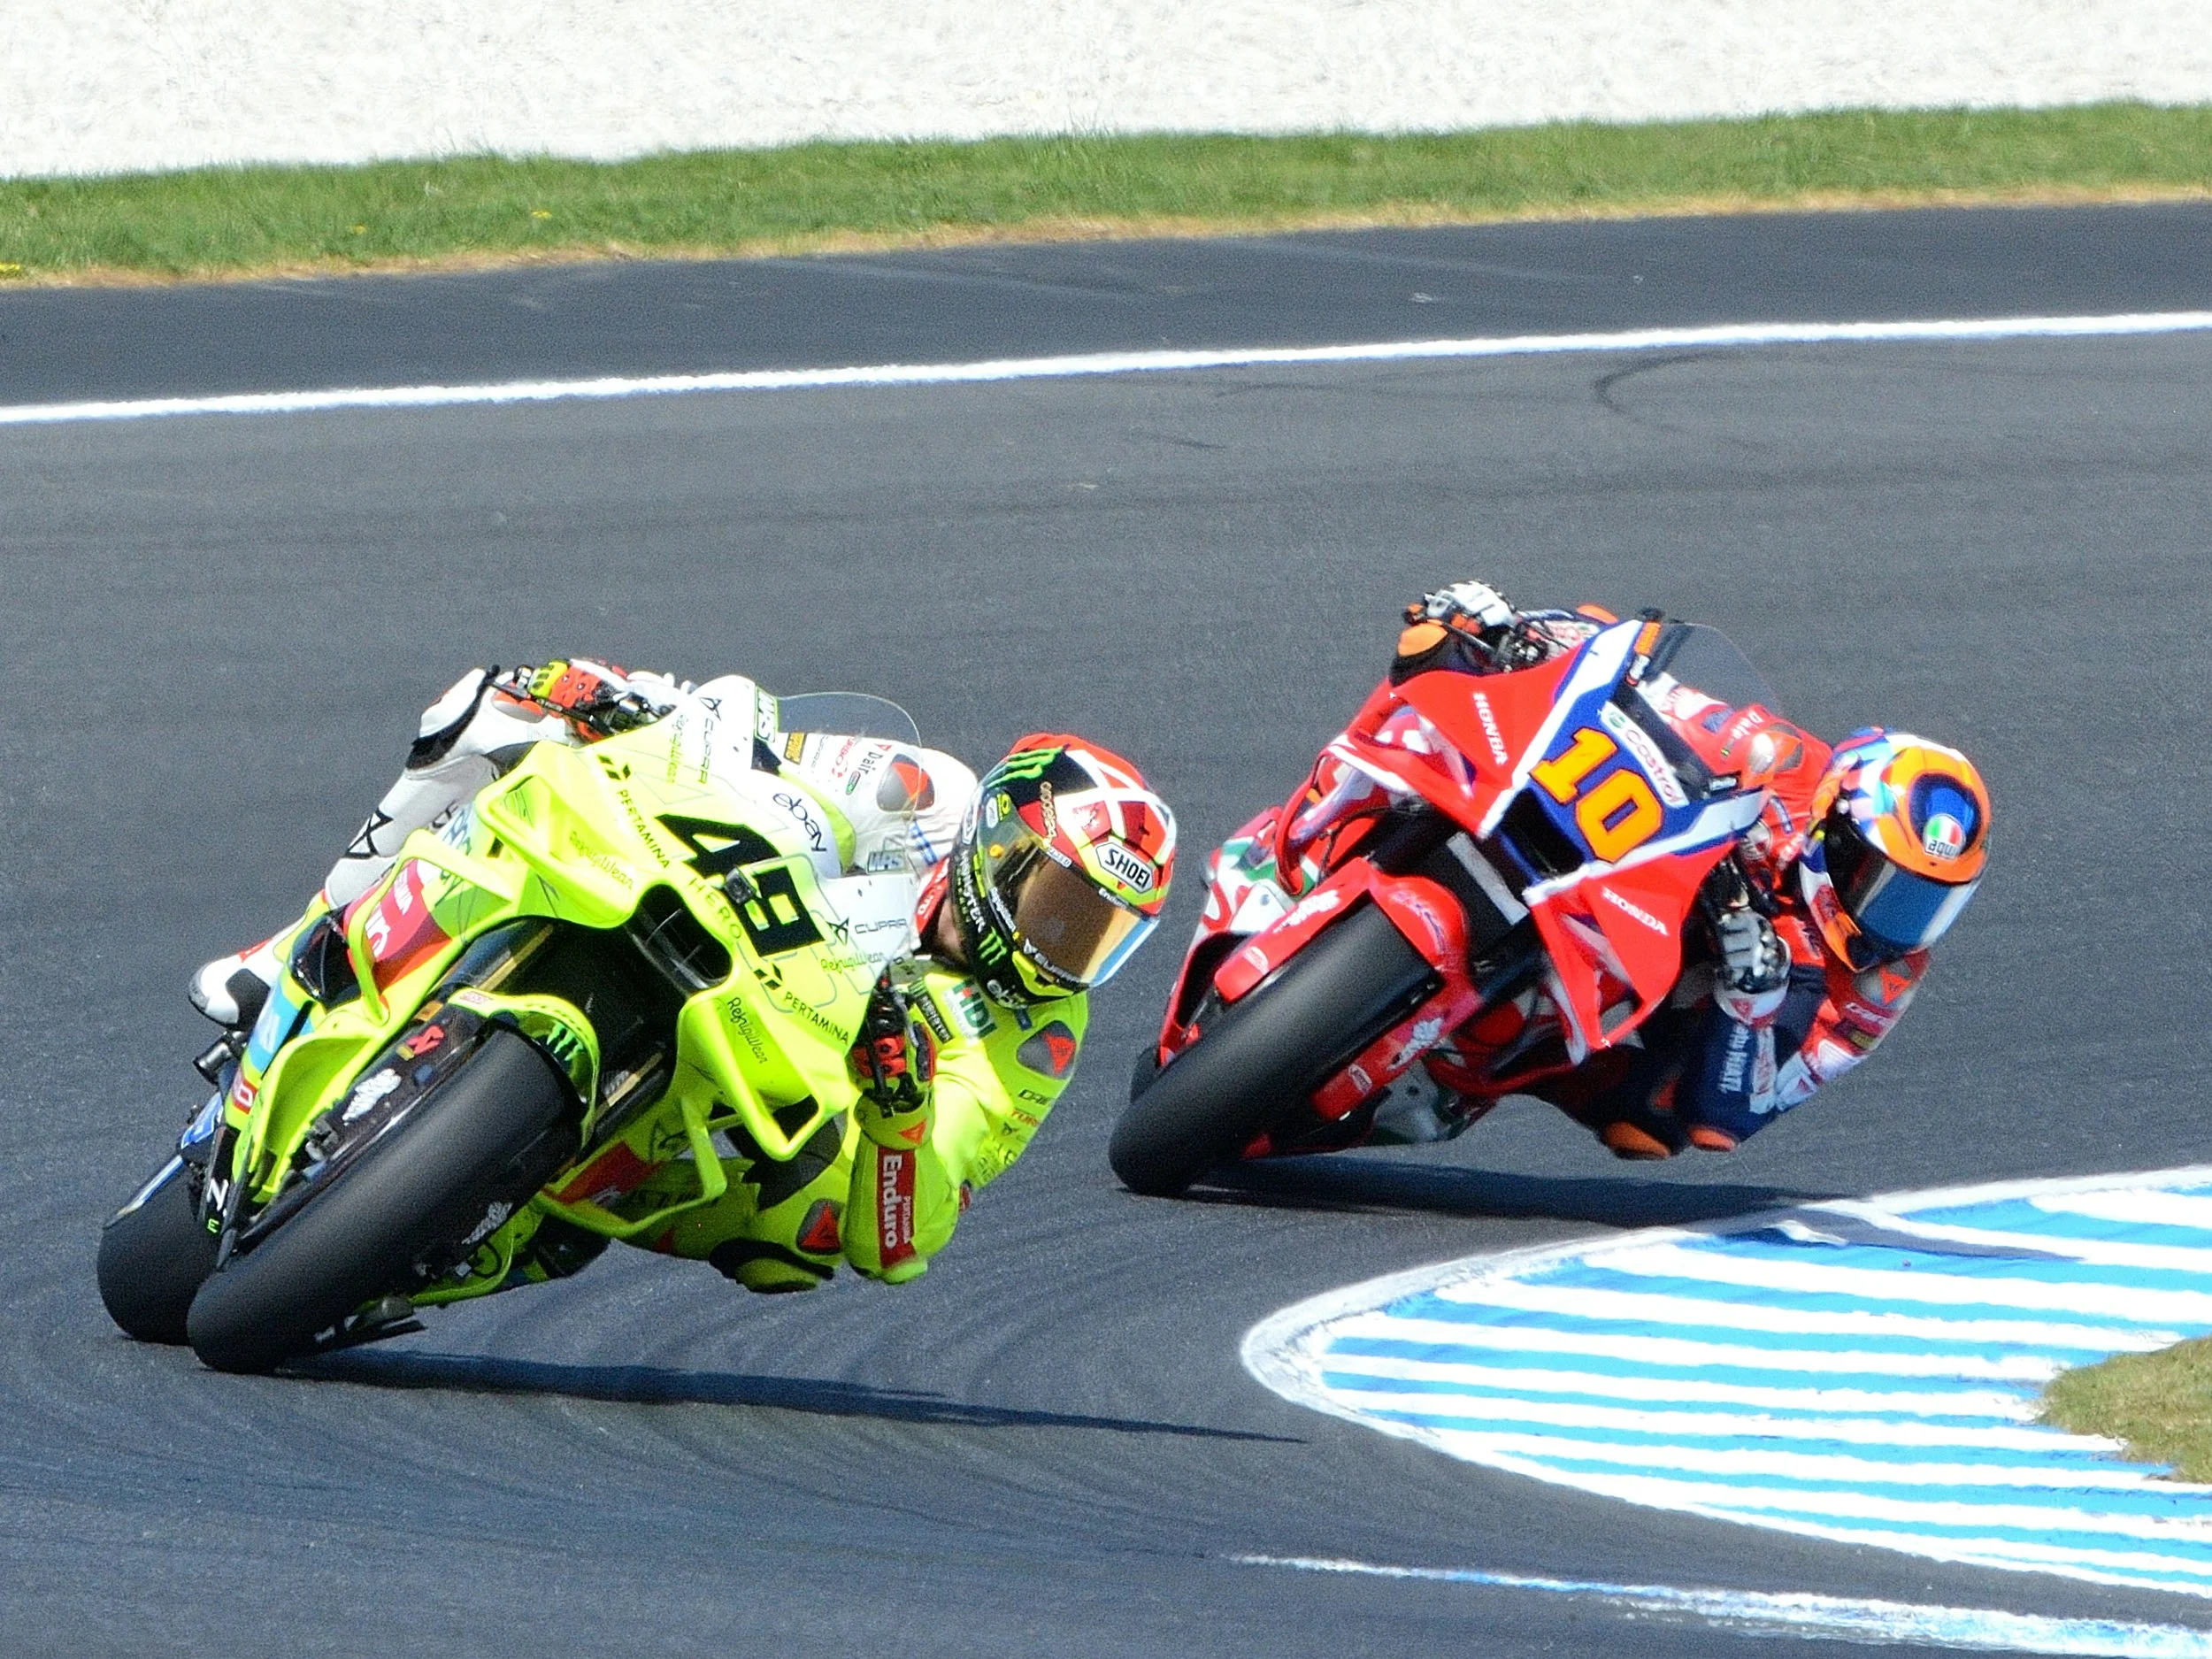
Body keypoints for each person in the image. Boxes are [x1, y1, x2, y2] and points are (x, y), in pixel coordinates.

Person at [189, 657, 1177, 1290]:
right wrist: (622, 701)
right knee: (482, 708)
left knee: (807, 1233)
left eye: (1098, 934)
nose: (1065, 948)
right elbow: (740, 740)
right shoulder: (916, 796)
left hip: (770, 1105)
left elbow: (900, 1240)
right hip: (722, 928)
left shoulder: (1036, 1039)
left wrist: (902, 1103)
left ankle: (517, 1224)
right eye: (1060, 906)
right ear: (996, 842)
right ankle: (293, 949)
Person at [1223, 581, 1990, 1160]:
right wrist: (1525, 631)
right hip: (1631, 852)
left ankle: (1490, 1058)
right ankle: (1306, 828)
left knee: (1650, 1122)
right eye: (1882, 880)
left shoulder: (1875, 985)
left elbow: (1733, 1117)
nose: (1894, 918)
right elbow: (1645, 668)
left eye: (1926, 901)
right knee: (1446, 666)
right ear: (1836, 823)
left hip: (1675, 985)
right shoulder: (1786, 763)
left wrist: (1749, 1003)